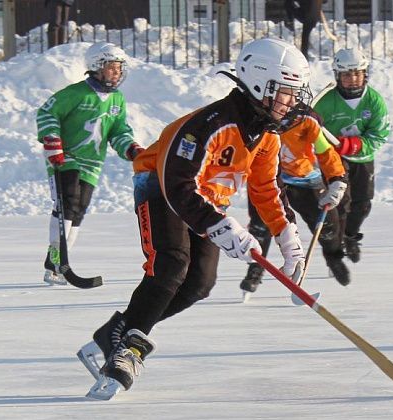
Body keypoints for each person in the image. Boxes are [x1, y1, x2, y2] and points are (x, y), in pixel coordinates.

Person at [78, 38, 311, 399]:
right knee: (172, 265)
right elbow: (177, 184)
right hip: (162, 187)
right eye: (285, 92)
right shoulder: (212, 124)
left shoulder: (267, 136)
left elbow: (267, 188)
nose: (291, 102)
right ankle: (128, 351)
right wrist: (219, 225)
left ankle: (117, 331)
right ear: (258, 83)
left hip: (204, 203)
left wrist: (289, 241)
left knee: (199, 284)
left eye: (295, 93)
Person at [38, 42, 143, 286]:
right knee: (68, 200)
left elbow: (118, 130)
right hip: (67, 157)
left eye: (119, 68)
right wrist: (52, 140)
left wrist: (130, 147)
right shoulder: (76, 93)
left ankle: (58, 262)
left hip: (93, 162)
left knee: (79, 209)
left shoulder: (117, 100)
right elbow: (46, 113)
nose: (117, 72)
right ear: (97, 67)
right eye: (112, 67)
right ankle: (56, 260)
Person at [240, 109, 349, 295]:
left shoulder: (306, 120)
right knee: (260, 227)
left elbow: (325, 150)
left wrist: (337, 178)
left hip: (304, 179)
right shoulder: (257, 117)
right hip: (268, 180)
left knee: (328, 225)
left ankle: (333, 256)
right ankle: (255, 270)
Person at [313, 47, 390, 264]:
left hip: (362, 160)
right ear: (338, 76)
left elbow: (379, 134)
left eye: (357, 73)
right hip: (335, 161)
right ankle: (335, 249)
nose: (353, 79)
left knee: (363, 205)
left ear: (365, 74)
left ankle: (350, 236)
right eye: (347, 74)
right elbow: (311, 131)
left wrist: (356, 145)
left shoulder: (374, 101)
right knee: (340, 203)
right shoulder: (326, 102)